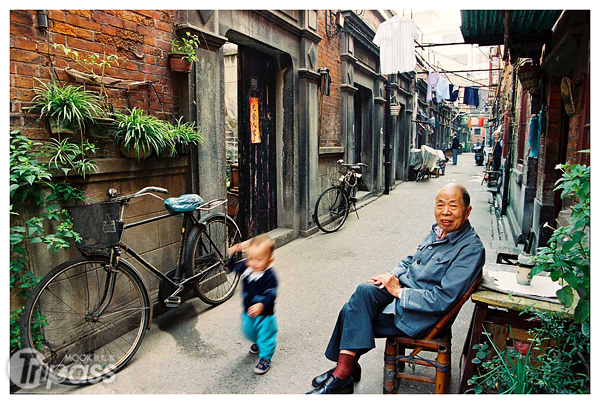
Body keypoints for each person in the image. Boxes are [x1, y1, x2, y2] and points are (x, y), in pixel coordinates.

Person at [307, 183, 485, 394]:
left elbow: (442, 298)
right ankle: (346, 369)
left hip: (420, 315)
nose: (445, 212)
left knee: (351, 311)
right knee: (364, 292)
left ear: (467, 211)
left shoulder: (470, 249)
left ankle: (342, 373)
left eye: (453, 206)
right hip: (403, 294)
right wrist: (392, 277)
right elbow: (411, 261)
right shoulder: (438, 232)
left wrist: (399, 292)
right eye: (440, 205)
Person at [227, 235, 278, 375]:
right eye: (250, 258)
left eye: (259, 259)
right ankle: (258, 341)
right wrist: (232, 254)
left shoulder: (269, 276)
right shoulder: (247, 268)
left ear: (269, 260)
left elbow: (271, 294)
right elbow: (231, 268)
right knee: (248, 331)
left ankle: (266, 358)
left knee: (266, 335)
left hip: (265, 314)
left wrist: (262, 305)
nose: (253, 263)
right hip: (248, 311)